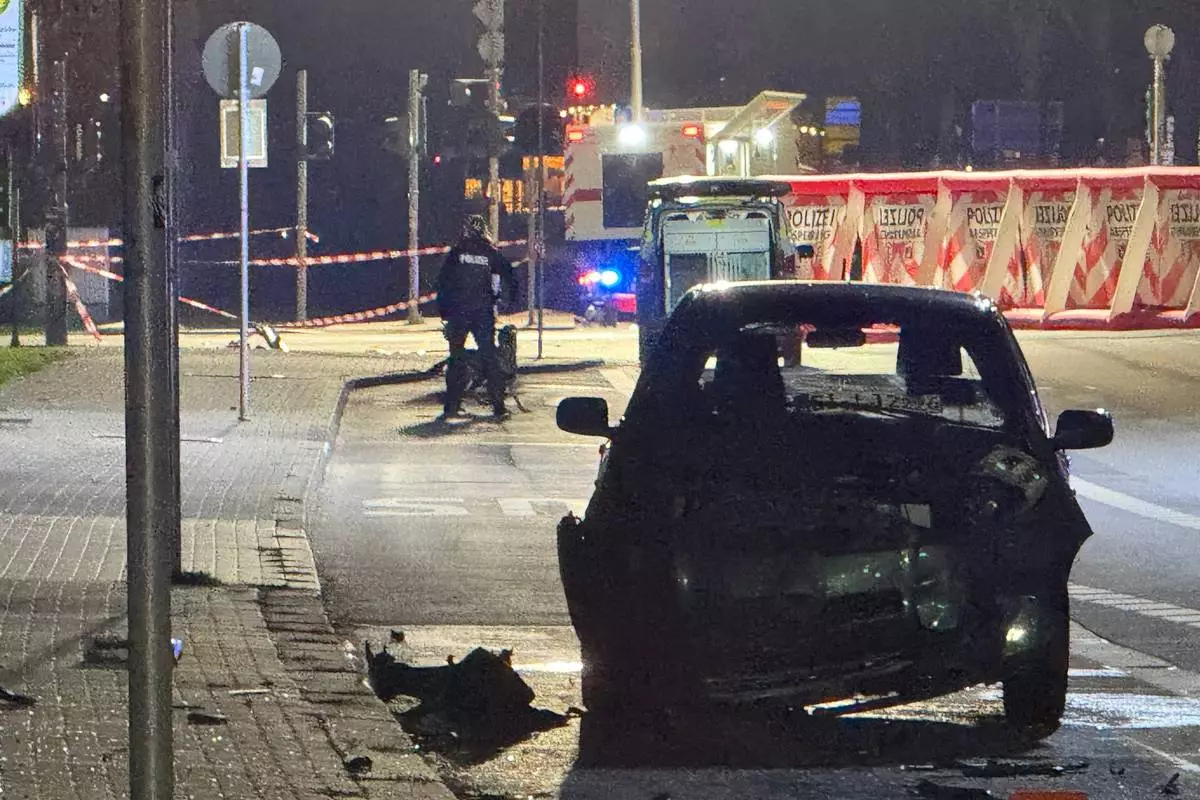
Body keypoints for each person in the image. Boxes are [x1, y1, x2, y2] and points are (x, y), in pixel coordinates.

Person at [435, 214, 517, 420]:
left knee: (456, 358)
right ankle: (498, 406)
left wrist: (444, 311)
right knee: (489, 357)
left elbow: (443, 281)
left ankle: (452, 407)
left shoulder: (457, 252)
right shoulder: (491, 252)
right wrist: (509, 302)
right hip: (482, 313)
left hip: (459, 312)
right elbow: (510, 277)